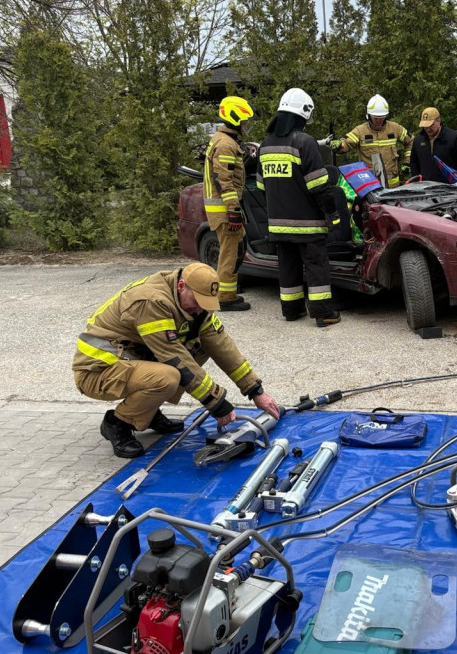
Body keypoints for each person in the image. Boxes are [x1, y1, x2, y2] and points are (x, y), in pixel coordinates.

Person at [73, 263, 280, 458]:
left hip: (129, 361)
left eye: (206, 304)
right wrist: (216, 403)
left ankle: (149, 411)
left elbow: (222, 345)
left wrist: (255, 390)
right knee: (170, 376)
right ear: (182, 286)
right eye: (198, 302)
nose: (200, 309)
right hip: (98, 370)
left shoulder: (192, 305)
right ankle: (118, 423)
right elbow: (173, 356)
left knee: (199, 348)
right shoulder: (152, 302)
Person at [257, 87, 341, 327]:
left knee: (288, 267)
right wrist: (332, 213)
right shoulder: (305, 142)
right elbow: (319, 186)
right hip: (308, 224)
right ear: (302, 115)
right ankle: (323, 312)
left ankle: (292, 310)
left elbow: (262, 187)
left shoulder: (265, 145)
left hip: (278, 224)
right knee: (316, 266)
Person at [203, 96, 255, 311]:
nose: (246, 125)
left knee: (236, 247)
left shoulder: (223, 140)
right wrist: (233, 209)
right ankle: (225, 297)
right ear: (234, 119)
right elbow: (223, 179)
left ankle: (227, 291)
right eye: (244, 121)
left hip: (223, 208)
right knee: (230, 252)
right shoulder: (225, 145)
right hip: (224, 209)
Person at [331, 95, 413, 188]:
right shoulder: (360, 131)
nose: (379, 120)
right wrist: (339, 145)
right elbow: (346, 143)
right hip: (369, 186)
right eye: (376, 117)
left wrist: (407, 162)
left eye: (381, 117)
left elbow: (411, 141)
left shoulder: (395, 128)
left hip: (392, 186)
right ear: (369, 116)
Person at [409, 107, 457, 183]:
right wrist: (416, 181)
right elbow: (414, 162)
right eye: (425, 126)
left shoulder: (452, 137)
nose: (428, 128)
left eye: (431, 125)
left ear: (439, 121)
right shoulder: (418, 140)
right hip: (425, 187)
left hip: (448, 187)